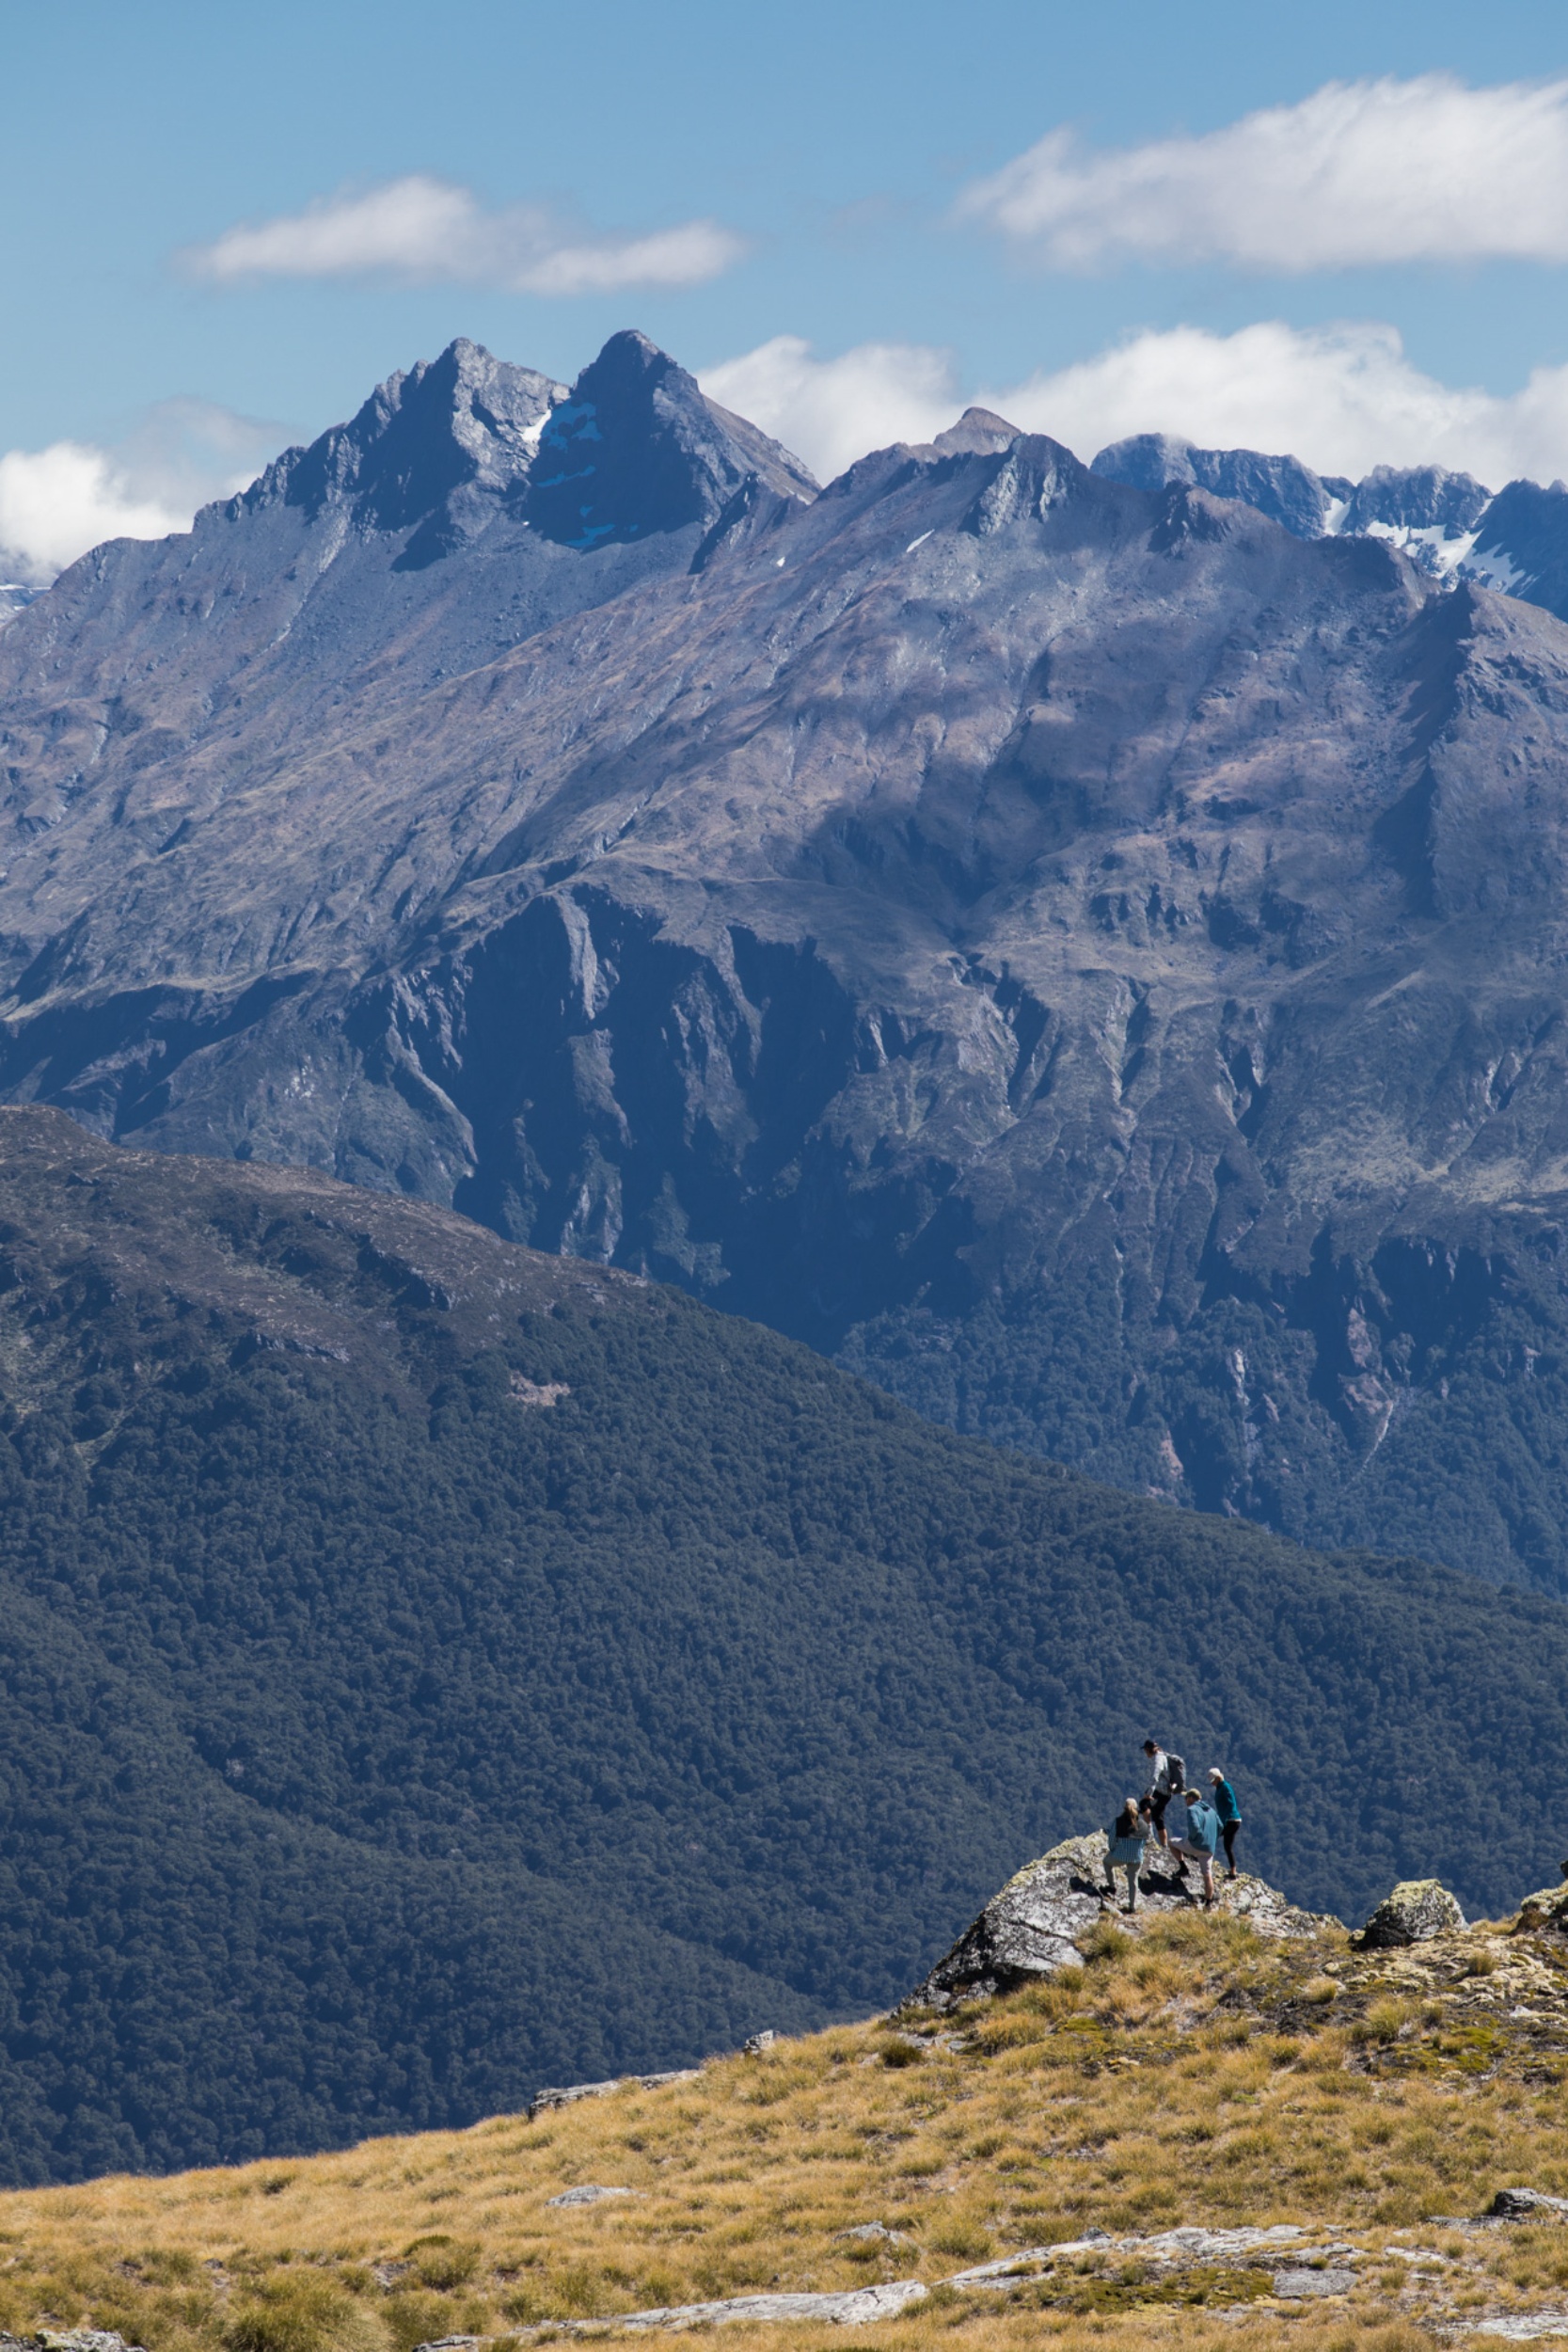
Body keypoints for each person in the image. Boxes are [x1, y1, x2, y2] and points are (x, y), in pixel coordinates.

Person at [1169, 1786, 1219, 1907]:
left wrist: (1194, 1839)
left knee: (1171, 1842)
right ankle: (1208, 1903)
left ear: (1191, 1799)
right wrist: (1211, 1839)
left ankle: (1183, 1867)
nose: (1185, 1801)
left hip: (1195, 1845)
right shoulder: (1211, 1811)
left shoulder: (1192, 1810)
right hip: (1209, 1849)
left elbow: (1195, 1828)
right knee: (1207, 1875)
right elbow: (1221, 1826)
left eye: (1186, 1798)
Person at [1103, 1798, 1148, 1914]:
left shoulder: (1118, 1822)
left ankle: (1111, 1887)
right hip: (1137, 1858)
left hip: (1120, 1856)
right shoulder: (1143, 1824)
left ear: (1124, 1808)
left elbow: (1112, 1839)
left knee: (1106, 1862)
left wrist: (1113, 1851)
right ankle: (1132, 1907)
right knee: (1133, 1881)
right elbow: (1144, 1842)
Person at [1142, 1739, 1185, 1849]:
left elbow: (1155, 1776)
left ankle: (1149, 1836)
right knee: (1158, 1817)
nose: (1145, 1753)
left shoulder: (1158, 1759)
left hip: (1160, 1791)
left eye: (1145, 1750)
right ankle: (1164, 1846)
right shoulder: (1164, 1756)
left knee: (1143, 1805)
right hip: (1167, 1793)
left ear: (1149, 1749)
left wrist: (1149, 1793)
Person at [1208, 1767, 1242, 1880]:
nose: (1212, 1784)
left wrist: (1224, 1819)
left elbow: (1230, 1804)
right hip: (1231, 1821)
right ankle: (1233, 1872)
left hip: (1230, 1820)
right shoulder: (1220, 1787)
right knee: (1227, 1846)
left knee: (1211, 1836)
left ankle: (1200, 1856)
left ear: (1218, 1778)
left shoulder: (1225, 1787)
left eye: (1213, 1781)